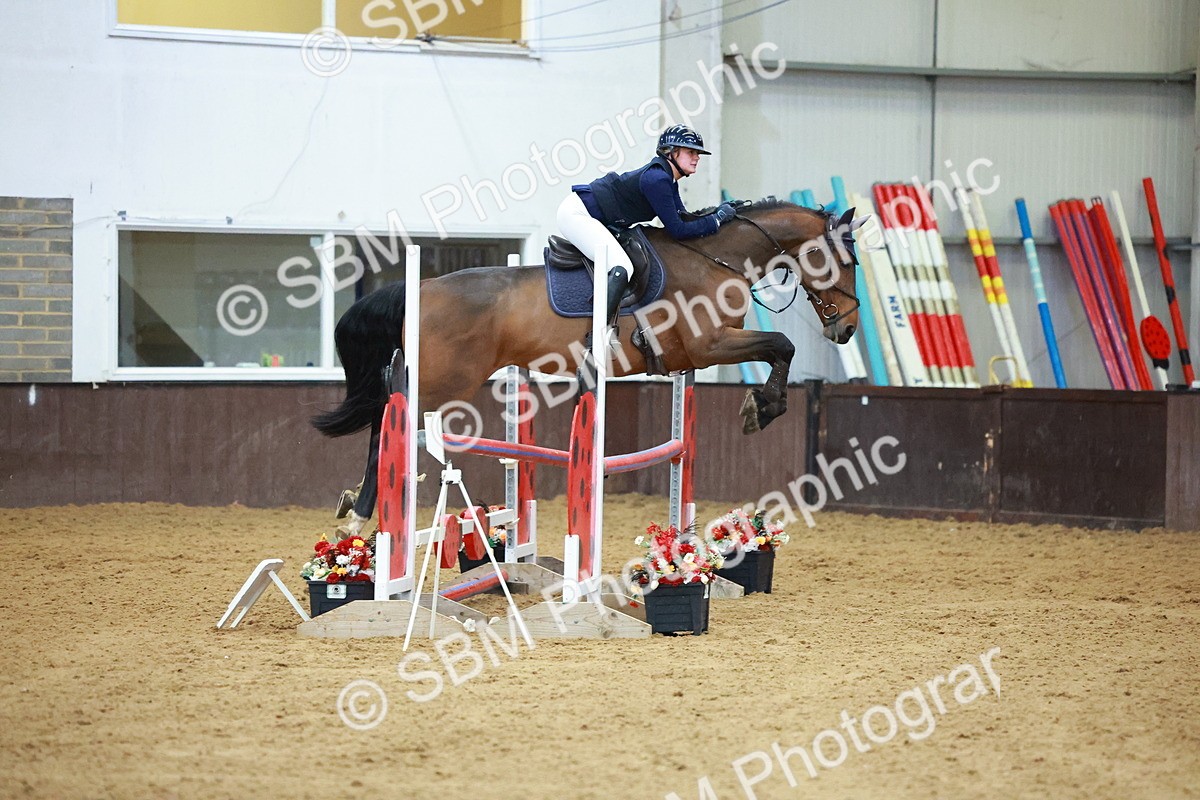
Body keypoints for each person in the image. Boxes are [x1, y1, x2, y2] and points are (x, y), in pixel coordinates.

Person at [556, 124, 737, 325]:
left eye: (698, 153)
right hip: (577, 214)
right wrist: (716, 220)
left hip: (596, 216)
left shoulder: (667, 179)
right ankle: (596, 331)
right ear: (671, 153)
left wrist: (717, 212)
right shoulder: (657, 179)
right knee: (621, 266)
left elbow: (683, 218)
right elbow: (677, 230)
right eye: (691, 152)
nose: (697, 157)